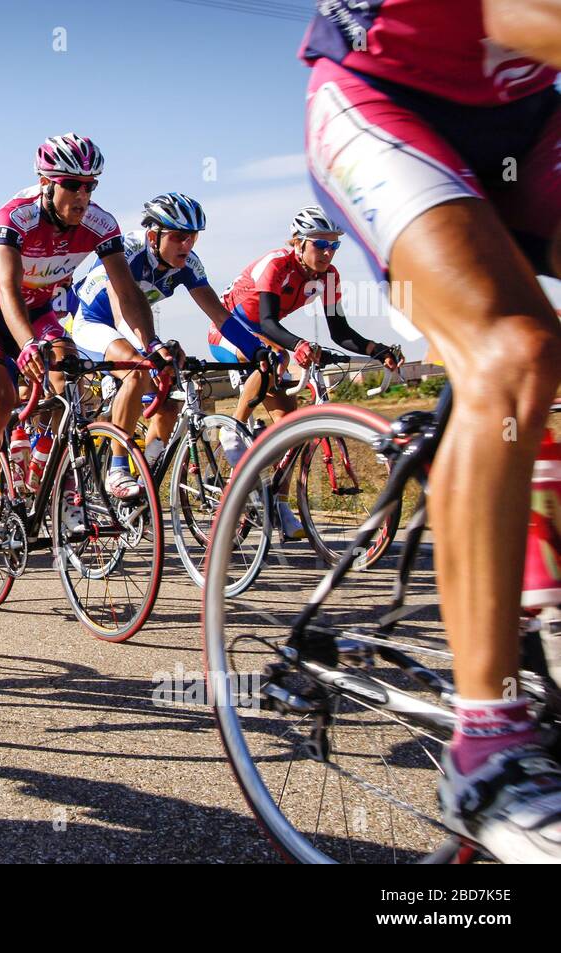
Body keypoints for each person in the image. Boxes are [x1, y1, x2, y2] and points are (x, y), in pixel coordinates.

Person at [301, 0, 561, 861]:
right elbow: (243, 321)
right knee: (512, 350)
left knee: (517, 366)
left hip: (530, 114)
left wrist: (371, 346)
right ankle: (485, 744)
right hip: (384, 98)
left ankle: (532, 559)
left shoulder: (321, 277)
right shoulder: (273, 269)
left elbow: (339, 329)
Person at [0, 133, 171, 553]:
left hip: (40, 312)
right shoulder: (13, 218)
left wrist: (152, 343)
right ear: (46, 183)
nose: (82, 195)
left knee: (72, 390)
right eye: (72, 184)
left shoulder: (101, 225)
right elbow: (8, 291)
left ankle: (59, 482)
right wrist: (26, 346)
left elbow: (128, 293)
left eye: (91, 185)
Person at [209, 206, 402, 539]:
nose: (328, 252)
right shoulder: (277, 264)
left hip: (267, 336)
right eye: (319, 245)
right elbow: (267, 321)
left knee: (289, 428)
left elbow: (340, 331)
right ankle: (233, 429)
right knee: (274, 355)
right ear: (298, 243)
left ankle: (280, 504)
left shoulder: (328, 276)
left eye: (334, 245)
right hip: (230, 329)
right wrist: (298, 345)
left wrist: (378, 350)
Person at [70, 192, 228, 473]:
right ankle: (117, 471)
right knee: (136, 369)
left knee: (168, 405)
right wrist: (152, 348)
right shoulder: (127, 250)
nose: (187, 245)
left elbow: (220, 315)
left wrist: (258, 349)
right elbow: (122, 312)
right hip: (93, 324)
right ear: (154, 236)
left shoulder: (188, 264)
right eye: (179, 236)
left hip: (134, 331)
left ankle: (146, 474)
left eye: (193, 237)